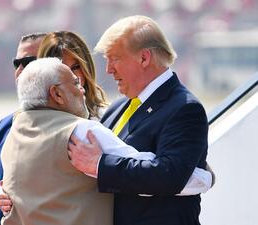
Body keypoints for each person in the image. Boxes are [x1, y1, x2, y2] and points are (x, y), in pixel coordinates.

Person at [0, 57, 211, 225]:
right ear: (57, 94)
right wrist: (205, 175)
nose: (82, 88)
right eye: (75, 82)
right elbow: (162, 175)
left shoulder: (13, 134)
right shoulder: (82, 132)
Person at [68, 15, 210, 225]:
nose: (108, 69)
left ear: (144, 58)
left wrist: (100, 164)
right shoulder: (118, 107)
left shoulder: (185, 108)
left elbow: (170, 175)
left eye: (114, 58)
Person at [0, 33, 46, 225]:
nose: (20, 70)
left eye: (28, 62)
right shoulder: (5, 126)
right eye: (16, 63)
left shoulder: (76, 126)